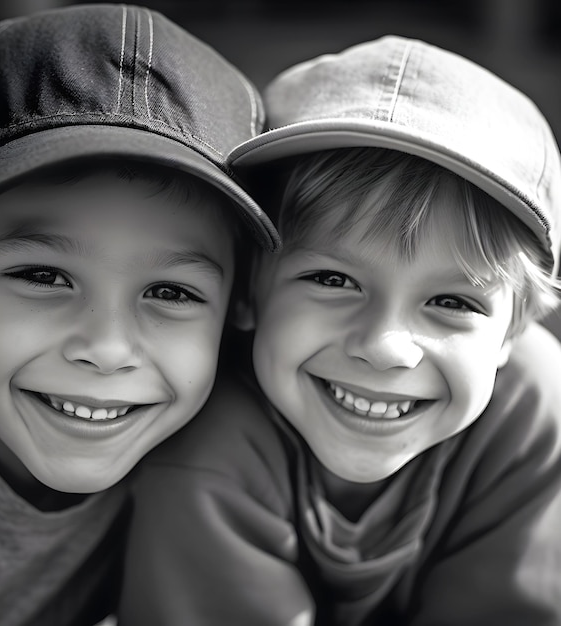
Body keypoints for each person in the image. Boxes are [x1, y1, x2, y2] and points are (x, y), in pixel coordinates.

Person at [118, 36, 561, 625]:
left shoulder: (537, 415)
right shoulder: (205, 445)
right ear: (250, 288)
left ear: (512, 332)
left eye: (452, 301)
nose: (383, 346)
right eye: (333, 279)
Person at [0, 4, 280, 625]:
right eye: (43, 276)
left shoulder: (231, 443)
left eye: (170, 293)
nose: (106, 346)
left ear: (236, 312)